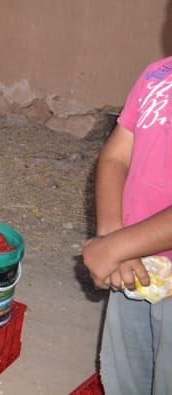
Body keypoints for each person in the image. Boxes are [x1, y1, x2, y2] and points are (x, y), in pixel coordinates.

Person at [82, 57, 172, 394]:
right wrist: (111, 235)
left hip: (130, 256)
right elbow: (115, 157)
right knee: (126, 376)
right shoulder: (157, 75)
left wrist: (114, 248)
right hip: (134, 271)